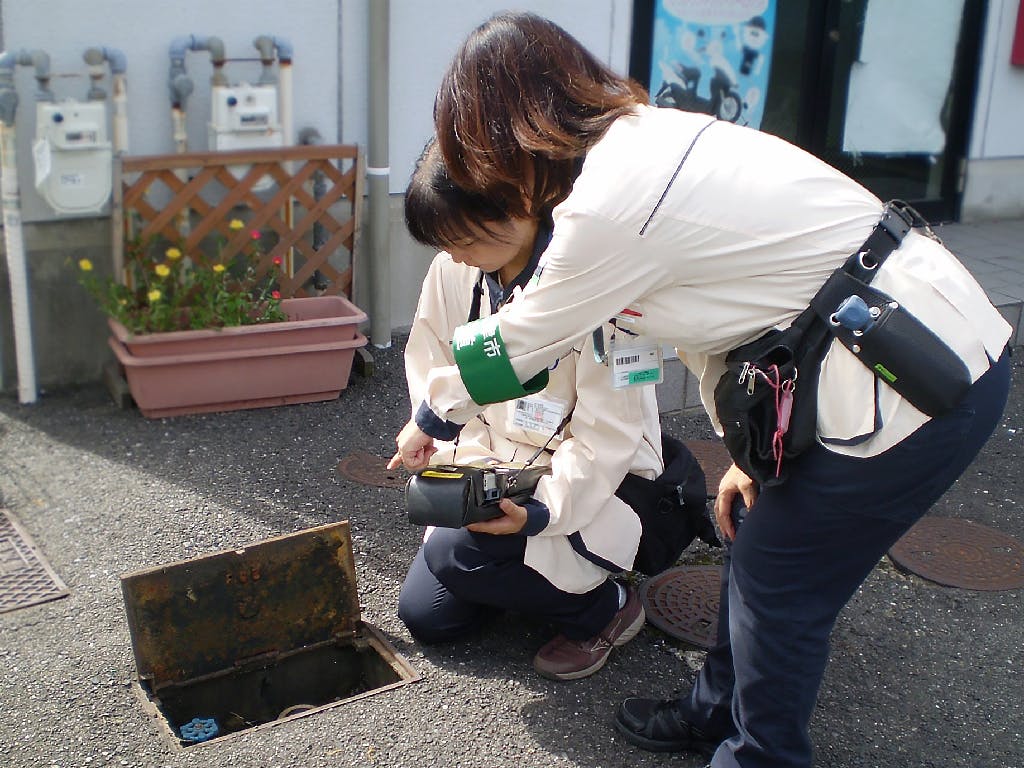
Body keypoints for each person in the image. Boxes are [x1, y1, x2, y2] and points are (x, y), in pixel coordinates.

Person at [390, 12, 1013, 768]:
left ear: (506, 131)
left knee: (782, 590)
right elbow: (727, 320)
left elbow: (515, 347)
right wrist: (753, 455)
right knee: (759, 558)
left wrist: (430, 416)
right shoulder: (641, 141)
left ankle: (755, 754)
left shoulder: (608, 206)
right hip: (859, 353)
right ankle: (712, 712)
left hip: (908, 373)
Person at [391, 140, 666, 681]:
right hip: (496, 462)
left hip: (597, 476)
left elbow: (609, 438)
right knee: (428, 616)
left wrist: (540, 511)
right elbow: (431, 371)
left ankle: (607, 607)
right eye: (443, 240)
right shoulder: (454, 271)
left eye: (463, 236)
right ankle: (518, 574)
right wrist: (461, 469)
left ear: (518, 205)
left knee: (457, 555)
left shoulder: (600, 281)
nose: (454, 254)